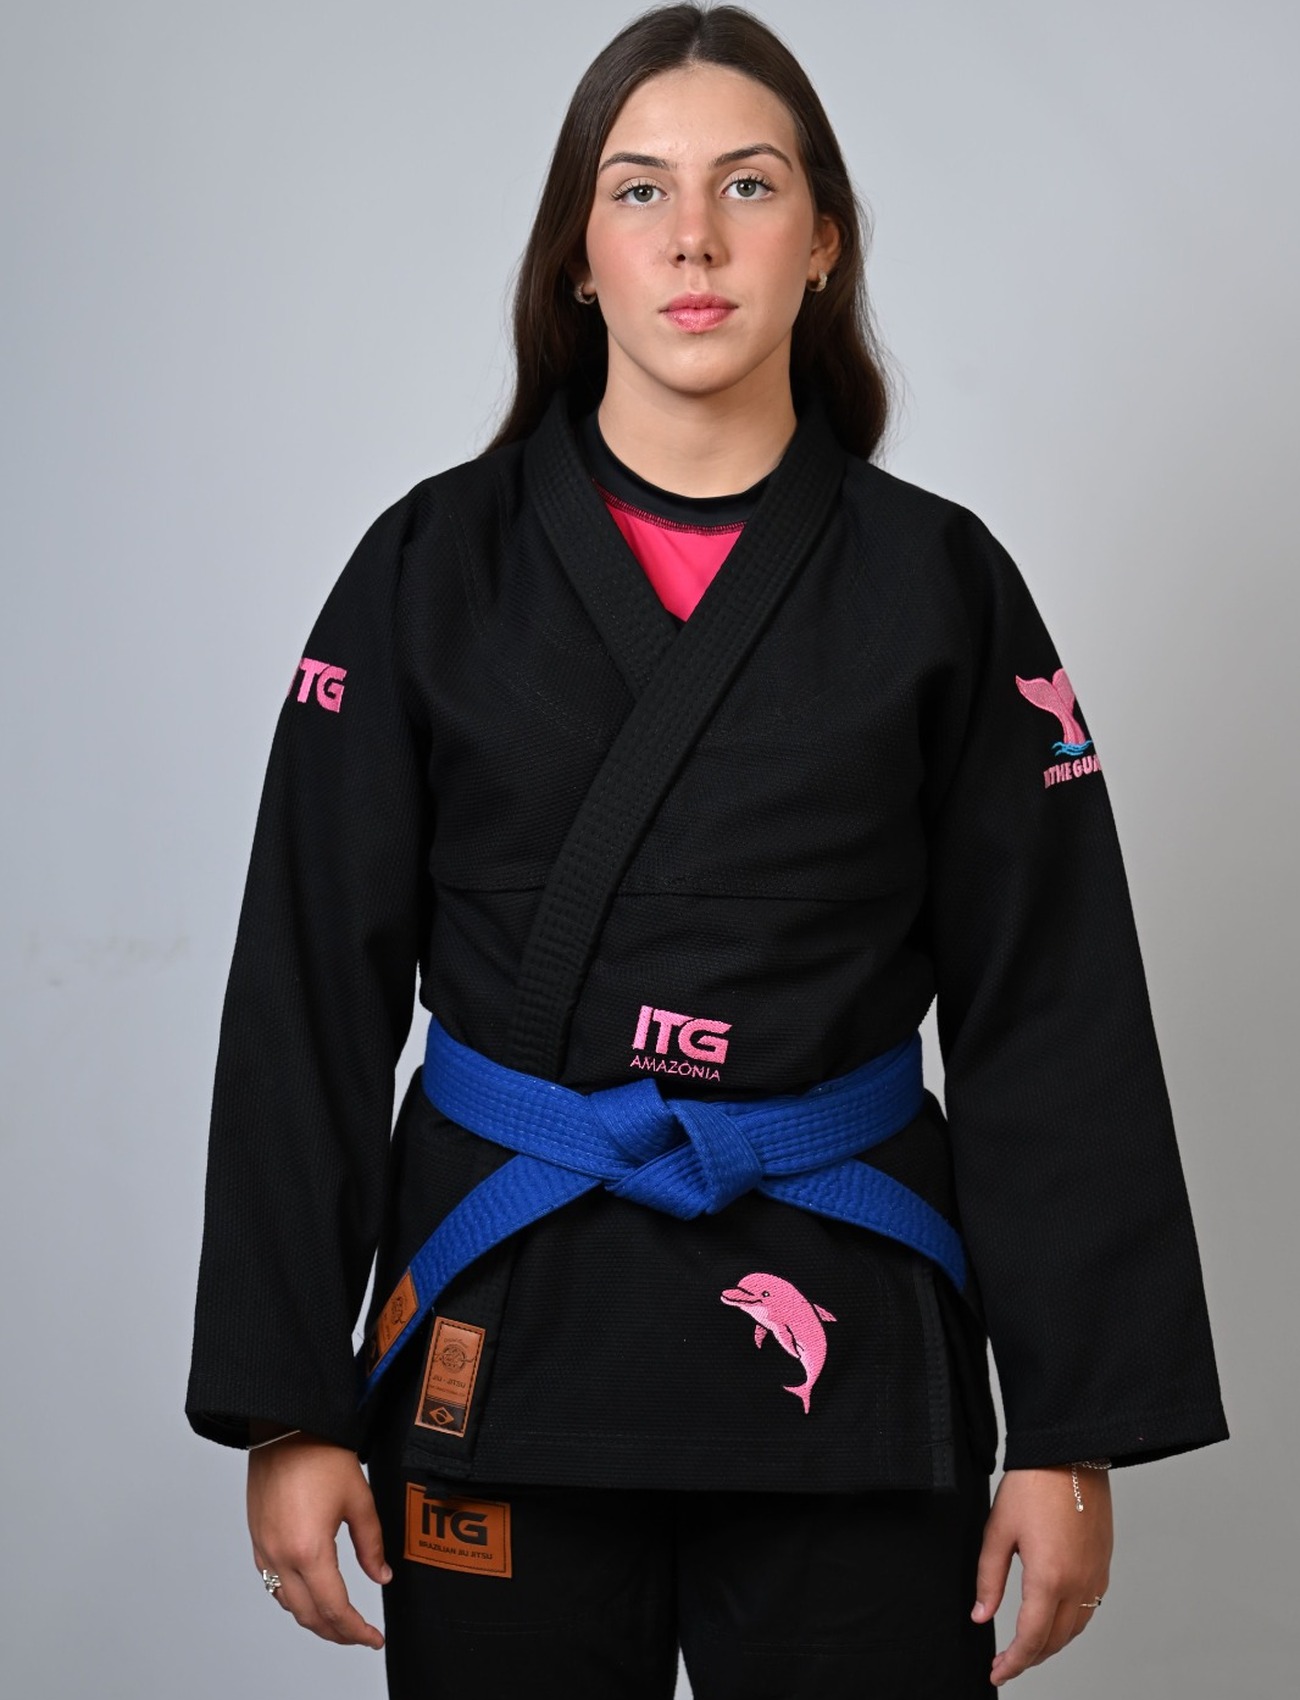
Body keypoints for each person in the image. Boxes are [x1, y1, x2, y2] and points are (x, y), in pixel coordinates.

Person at [185, 6, 1228, 1696]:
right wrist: (289, 1403)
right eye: (638, 190)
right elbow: (308, 989)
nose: (692, 237)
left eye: (748, 185)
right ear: (576, 256)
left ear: (822, 243)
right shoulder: (428, 569)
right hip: (503, 1325)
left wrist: (1071, 1431)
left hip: (848, 1341)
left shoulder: (940, 584)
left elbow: (1055, 1007)